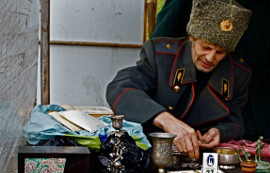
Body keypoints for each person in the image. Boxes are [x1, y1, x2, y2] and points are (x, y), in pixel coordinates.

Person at [106, 0, 252, 159]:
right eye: (206, 47)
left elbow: (237, 122)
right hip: (153, 153)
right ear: (192, 38)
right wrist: (166, 120)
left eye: (220, 52)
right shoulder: (160, 56)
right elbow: (120, 88)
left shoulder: (238, 72)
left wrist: (219, 132)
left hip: (200, 158)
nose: (210, 58)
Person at [151, 0, 270, 140]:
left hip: (253, 101)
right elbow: (163, 46)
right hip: (204, 101)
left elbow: (269, 37)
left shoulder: (262, 3)